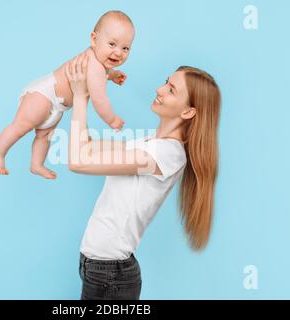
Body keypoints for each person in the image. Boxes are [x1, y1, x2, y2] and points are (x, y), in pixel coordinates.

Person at [65, 54, 221, 300]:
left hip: (110, 274)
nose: (159, 89)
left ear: (189, 111)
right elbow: (85, 147)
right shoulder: (149, 143)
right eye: (165, 82)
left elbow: (78, 161)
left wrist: (80, 97)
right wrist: (92, 86)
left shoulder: (167, 154)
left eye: (171, 90)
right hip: (98, 268)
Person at [0, 10, 135, 178]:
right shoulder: (95, 66)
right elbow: (99, 99)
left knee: (44, 135)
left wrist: (113, 75)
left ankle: (37, 164)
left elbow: (99, 76)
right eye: (112, 44)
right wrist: (112, 119)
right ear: (94, 40)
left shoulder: (99, 64)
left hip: (58, 105)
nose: (118, 52)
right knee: (22, 125)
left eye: (125, 48)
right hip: (45, 94)